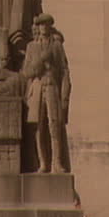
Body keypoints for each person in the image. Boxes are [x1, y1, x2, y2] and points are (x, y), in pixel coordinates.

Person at [22, 13, 72, 173]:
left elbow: (64, 71)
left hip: (51, 87)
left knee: (54, 125)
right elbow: (26, 72)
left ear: (50, 26)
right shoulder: (31, 47)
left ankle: (56, 162)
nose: (43, 27)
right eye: (41, 24)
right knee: (39, 127)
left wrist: (65, 97)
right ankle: (43, 162)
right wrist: (41, 61)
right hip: (37, 88)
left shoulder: (57, 46)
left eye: (46, 24)